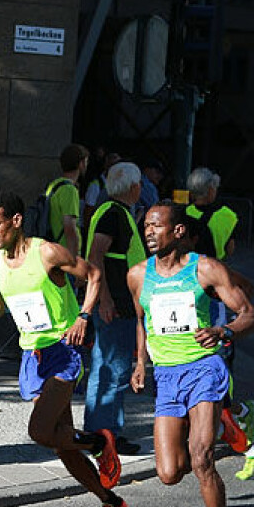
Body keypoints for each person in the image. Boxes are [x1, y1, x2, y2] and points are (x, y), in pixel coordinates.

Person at [0, 189, 128, 507]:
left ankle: (101, 443)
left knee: (40, 431)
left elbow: (94, 275)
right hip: (33, 355)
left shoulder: (46, 253)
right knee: (63, 445)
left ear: (16, 221)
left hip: (64, 348)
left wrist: (84, 317)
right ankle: (112, 503)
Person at [128, 201, 254, 507]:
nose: (149, 232)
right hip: (167, 376)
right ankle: (228, 424)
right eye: (146, 226)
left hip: (204, 368)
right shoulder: (138, 275)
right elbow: (142, 320)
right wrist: (140, 362)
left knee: (202, 459)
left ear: (179, 231)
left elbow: (249, 313)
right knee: (169, 473)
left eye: (157, 226)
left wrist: (224, 331)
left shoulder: (205, 269)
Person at [183, 172, 254, 479]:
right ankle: (240, 422)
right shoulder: (228, 215)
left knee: (214, 384)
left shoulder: (182, 216)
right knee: (212, 389)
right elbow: (229, 252)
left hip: (210, 297)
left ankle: (244, 440)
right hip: (212, 291)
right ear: (213, 189)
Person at [83, 162, 146, 455]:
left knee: (107, 366)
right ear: (134, 187)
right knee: (114, 369)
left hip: (117, 302)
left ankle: (101, 431)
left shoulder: (111, 211)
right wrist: (105, 299)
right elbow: (97, 256)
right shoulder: (113, 214)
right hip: (116, 304)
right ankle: (106, 434)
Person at [185, 167, 238, 261]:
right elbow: (230, 250)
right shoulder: (228, 215)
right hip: (216, 266)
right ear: (210, 190)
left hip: (187, 266)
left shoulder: (183, 212)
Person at [47, 144, 88, 256]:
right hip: (65, 253)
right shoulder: (70, 190)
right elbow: (69, 226)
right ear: (81, 164)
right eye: (86, 161)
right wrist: (74, 259)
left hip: (53, 249)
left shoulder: (54, 185)